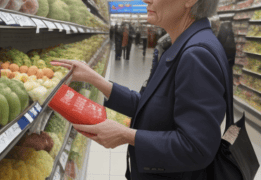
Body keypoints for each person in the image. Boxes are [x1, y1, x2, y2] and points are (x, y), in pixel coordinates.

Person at [51, 0, 230, 179]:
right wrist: (94, 78)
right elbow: (148, 104)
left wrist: (126, 135)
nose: (146, 0)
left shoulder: (197, 54)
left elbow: (196, 147)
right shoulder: (180, 46)